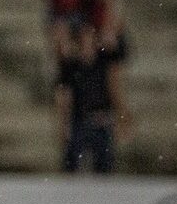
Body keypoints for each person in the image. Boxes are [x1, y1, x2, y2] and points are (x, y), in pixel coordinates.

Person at [54, 23, 130, 173]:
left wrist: (121, 115)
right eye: (84, 38)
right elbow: (65, 95)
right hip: (79, 120)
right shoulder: (71, 65)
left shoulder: (104, 63)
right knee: (71, 166)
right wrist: (64, 123)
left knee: (104, 167)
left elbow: (114, 88)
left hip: (101, 120)